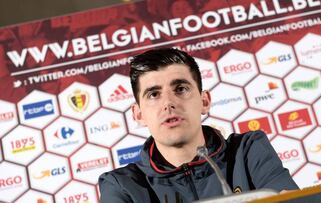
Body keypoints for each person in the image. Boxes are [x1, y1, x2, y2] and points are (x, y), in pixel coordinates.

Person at [99, 48, 299, 203]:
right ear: (139, 114)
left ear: (204, 102)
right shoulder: (121, 186)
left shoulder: (247, 150)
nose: (168, 103)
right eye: (154, 94)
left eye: (181, 89)